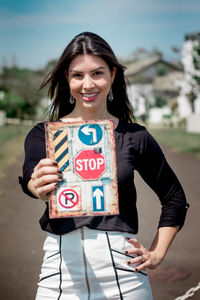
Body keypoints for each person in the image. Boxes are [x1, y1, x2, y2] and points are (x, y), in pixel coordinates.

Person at [20, 32, 189, 300]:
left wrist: (156, 254)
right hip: (59, 274)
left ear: (112, 74)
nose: (88, 84)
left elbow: (175, 199)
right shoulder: (44, 135)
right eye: (78, 75)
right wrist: (37, 186)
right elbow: (30, 177)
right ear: (67, 77)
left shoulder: (134, 136)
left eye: (97, 73)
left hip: (124, 278)